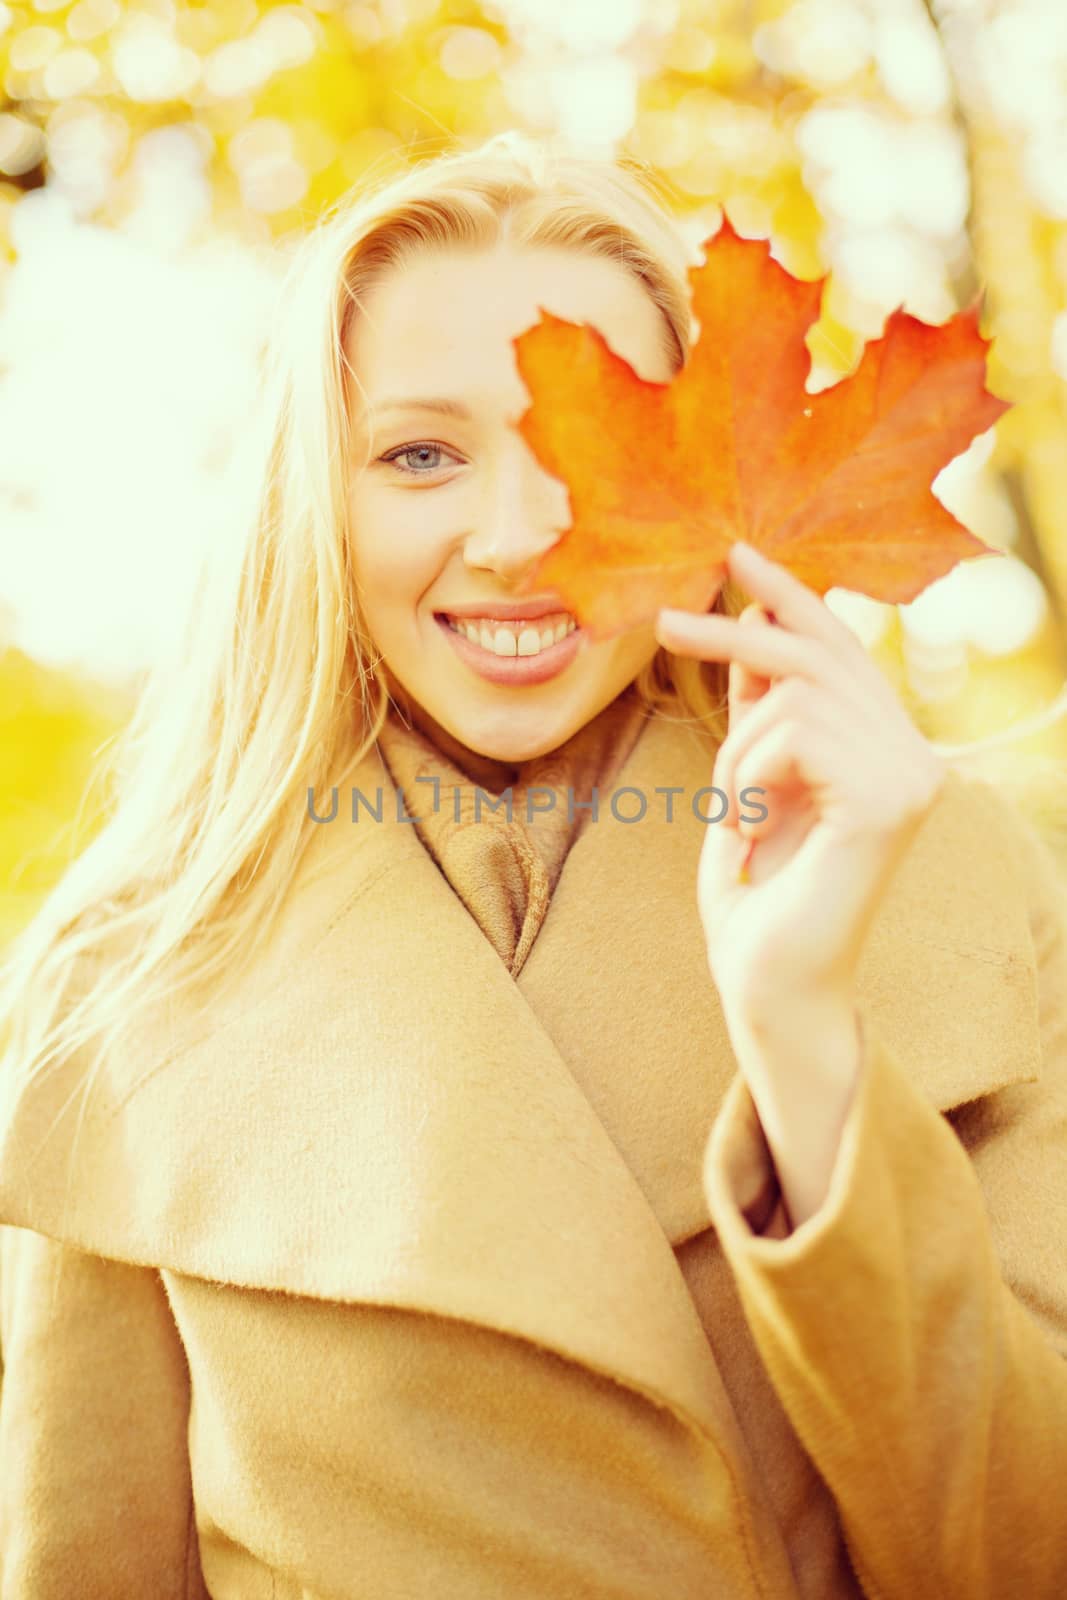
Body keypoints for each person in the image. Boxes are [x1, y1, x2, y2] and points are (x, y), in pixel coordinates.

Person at [1, 129, 1065, 1600]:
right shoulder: (131, 971)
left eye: (587, 452)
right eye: (421, 454)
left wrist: (807, 1044)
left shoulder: (963, 885)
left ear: (703, 484)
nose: (511, 539)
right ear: (319, 499)